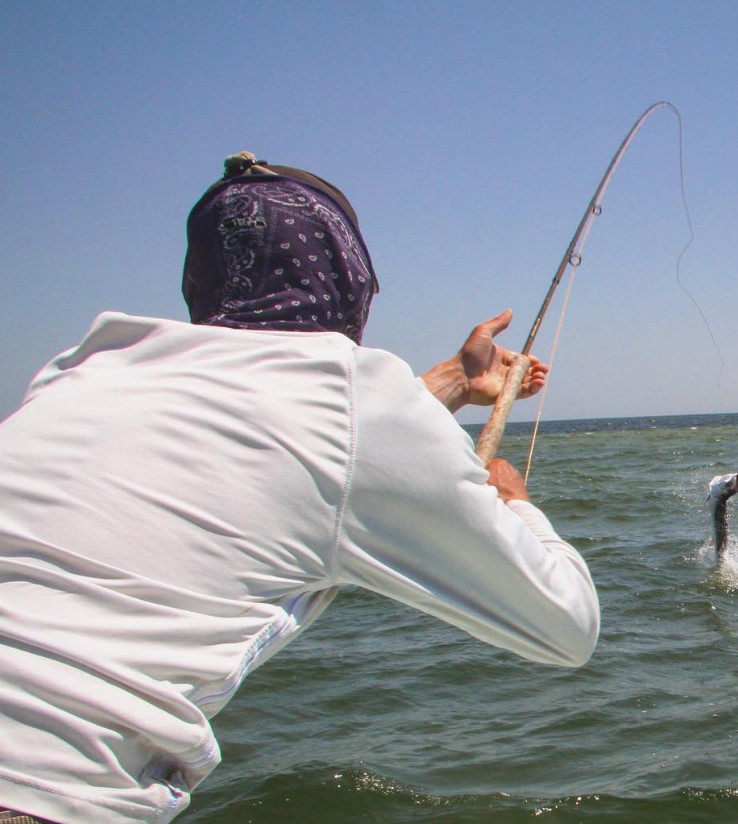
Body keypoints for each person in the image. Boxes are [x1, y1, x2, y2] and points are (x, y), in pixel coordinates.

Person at [0, 153, 599, 824]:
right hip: (47, 796)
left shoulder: (85, 371)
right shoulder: (357, 402)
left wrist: (459, 379)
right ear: (348, 277)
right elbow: (568, 625)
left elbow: (287, 442)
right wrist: (513, 499)